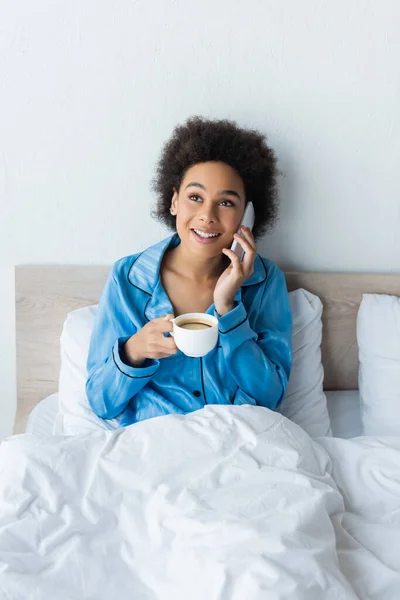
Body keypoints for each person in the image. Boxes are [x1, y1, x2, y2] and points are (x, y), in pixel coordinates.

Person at [86, 116, 292, 427]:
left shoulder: (264, 282)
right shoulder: (128, 278)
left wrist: (227, 307)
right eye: (195, 197)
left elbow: (269, 396)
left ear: (246, 216)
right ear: (173, 202)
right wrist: (135, 349)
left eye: (226, 202)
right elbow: (102, 402)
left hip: (237, 444)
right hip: (155, 447)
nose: (207, 216)